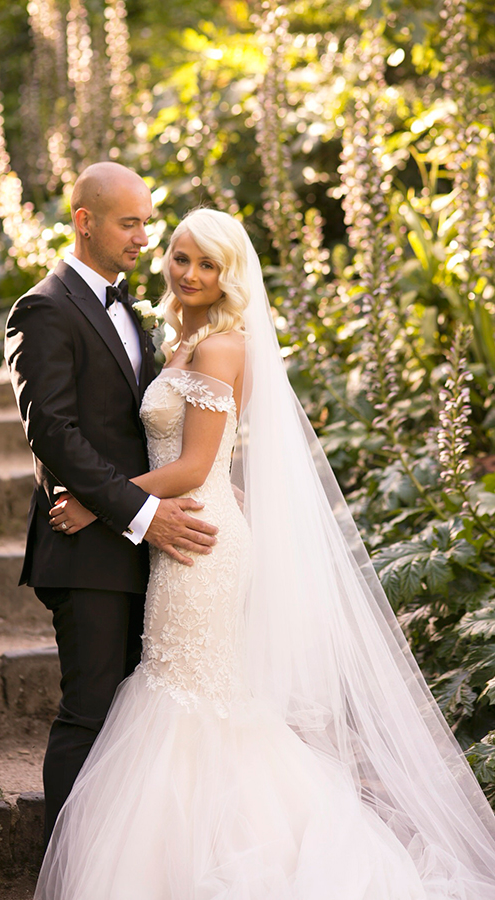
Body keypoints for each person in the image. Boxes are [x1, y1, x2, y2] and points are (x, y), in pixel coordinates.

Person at [36, 208, 495, 899]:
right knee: (183, 692)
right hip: (177, 529)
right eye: (180, 257)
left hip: (200, 541)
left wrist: (97, 500)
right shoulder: (183, 338)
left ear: (230, 273)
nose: (188, 273)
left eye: (206, 263)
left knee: (191, 696)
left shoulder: (222, 345)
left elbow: (193, 467)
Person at [4, 163, 217, 844]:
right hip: (87, 550)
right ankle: (66, 872)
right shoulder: (43, 309)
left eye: (146, 221)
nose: (142, 236)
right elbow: (53, 435)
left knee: (139, 717)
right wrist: (138, 511)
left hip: (144, 540)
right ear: (84, 221)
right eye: (130, 222)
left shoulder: (130, 308)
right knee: (91, 711)